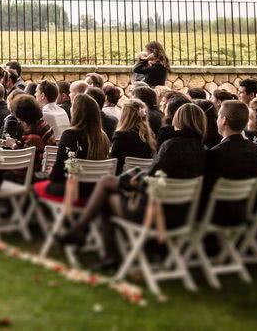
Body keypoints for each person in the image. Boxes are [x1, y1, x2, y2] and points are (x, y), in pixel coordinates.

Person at [57, 102, 207, 272]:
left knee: (106, 193)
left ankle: (99, 247)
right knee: (107, 185)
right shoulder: (203, 149)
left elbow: (152, 182)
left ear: (179, 120)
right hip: (182, 215)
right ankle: (85, 235)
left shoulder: (171, 146)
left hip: (154, 216)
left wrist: (131, 183)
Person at [39, 93, 110, 201]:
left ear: (76, 112)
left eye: (72, 106)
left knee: (36, 183)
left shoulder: (70, 135)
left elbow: (58, 174)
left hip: (73, 191)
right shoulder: (103, 137)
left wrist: (51, 173)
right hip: (95, 192)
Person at [202, 100, 257, 225]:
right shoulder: (253, 148)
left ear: (224, 121)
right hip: (244, 214)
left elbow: (206, 191)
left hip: (218, 217)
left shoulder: (216, 153)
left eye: (218, 116)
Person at [109, 100, 155, 172]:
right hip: (142, 176)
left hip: (121, 176)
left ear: (124, 115)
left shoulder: (120, 135)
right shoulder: (150, 136)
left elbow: (112, 161)